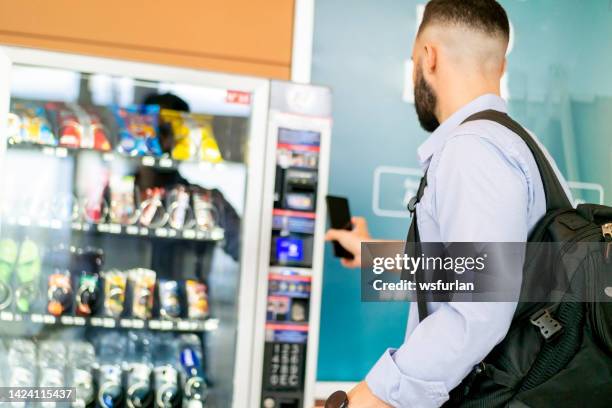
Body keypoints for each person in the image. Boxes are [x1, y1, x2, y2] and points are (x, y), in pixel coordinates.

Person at [324, 0, 571, 407]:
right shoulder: (524, 148)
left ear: (428, 57)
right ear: (501, 67)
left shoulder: (473, 151)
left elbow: (478, 309)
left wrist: (378, 395)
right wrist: (374, 257)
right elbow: (489, 273)